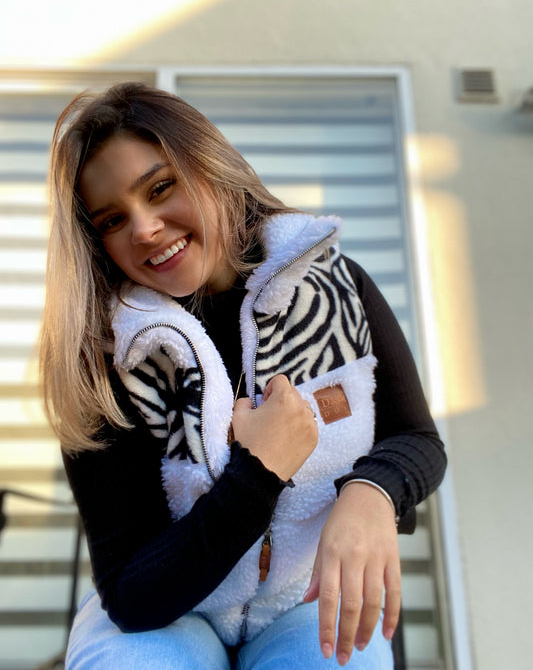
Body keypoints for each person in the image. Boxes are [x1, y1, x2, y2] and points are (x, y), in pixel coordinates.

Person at [40, 82, 446, 670]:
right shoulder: (105, 359)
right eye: (111, 219)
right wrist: (259, 471)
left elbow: (416, 438)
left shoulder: (336, 291)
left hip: (301, 600)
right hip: (167, 615)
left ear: (210, 167)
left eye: (160, 187)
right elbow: (131, 596)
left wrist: (373, 491)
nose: (144, 228)